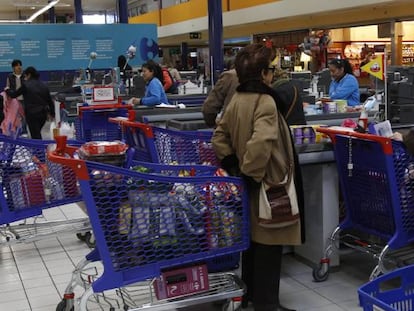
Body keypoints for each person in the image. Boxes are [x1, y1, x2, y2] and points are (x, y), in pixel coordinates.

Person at [212, 43, 304, 311]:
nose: (273, 74)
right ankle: (267, 304)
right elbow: (262, 141)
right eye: (271, 69)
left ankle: (250, 296)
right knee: (269, 245)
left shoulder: (237, 100)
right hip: (268, 183)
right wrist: (250, 174)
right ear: (263, 73)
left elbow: (219, 136)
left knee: (251, 244)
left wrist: (233, 165)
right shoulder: (265, 100)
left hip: (249, 183)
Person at [5, 66, 54, 139]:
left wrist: (7, 90)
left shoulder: (26, 85)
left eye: (25, 76)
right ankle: (38, 148)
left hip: (32, 114)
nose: (25, 78)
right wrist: (52, 113)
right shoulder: (44, 85)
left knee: (35, 135)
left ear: (29, 75)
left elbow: (14, 95)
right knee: (37, 133)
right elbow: (50, 101)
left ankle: (39, 149)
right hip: (43, 114)